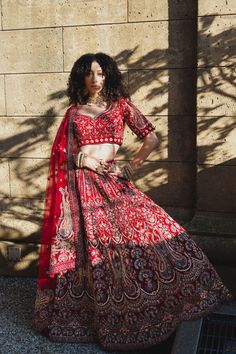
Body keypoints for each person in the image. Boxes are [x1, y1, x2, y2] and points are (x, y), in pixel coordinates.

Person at [33, 52, 234, 352]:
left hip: (113, 182)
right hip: (82, 186)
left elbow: (151, 138)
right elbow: (64, 154)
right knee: (87, 248)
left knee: (153, 229)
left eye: (100, 73)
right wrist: (82, 158)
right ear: (81, 77)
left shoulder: (121, 105)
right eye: (88, 73)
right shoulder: (73, 113)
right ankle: (90, 318)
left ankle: (151, 306)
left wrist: (131, 166)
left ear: (108, 75)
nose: (95, 78)